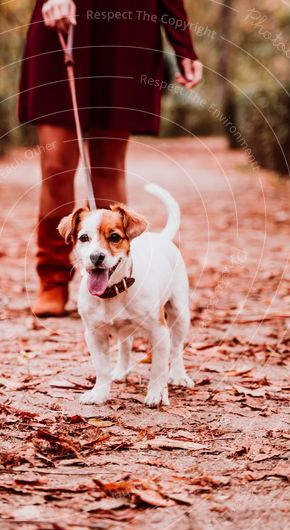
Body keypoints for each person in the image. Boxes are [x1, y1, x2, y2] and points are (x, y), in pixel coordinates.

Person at [19, 0, 202, 317]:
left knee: (108, 165)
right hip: (62, 21)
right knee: (55, 165)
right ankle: (52, 280)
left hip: (126, 30)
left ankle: (116, 278)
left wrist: (183, 44)